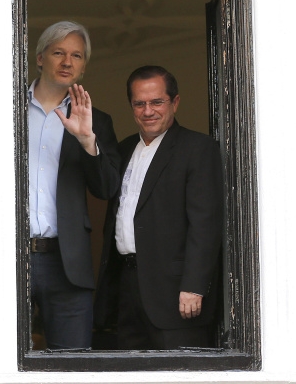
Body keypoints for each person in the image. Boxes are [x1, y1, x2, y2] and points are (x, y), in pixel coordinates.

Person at [94, 65, 223, 350]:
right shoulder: (125, 148)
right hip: (127, 288)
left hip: (177, 294)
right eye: (139, 103)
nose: (148, 110)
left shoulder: (198, 148)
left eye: (157, 102)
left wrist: (194, 286)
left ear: (174, 102)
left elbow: (205, 224)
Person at [28, 21, 120, 349]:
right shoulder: (6, 111)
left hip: (66, 262)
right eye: (59, 53)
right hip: (6, 257)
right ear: (40, 58)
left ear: (83, 66)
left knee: (72, 366)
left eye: (77, 55)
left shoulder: (97, 121)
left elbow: (107, 189)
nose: (68, 62)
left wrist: (87, 141)